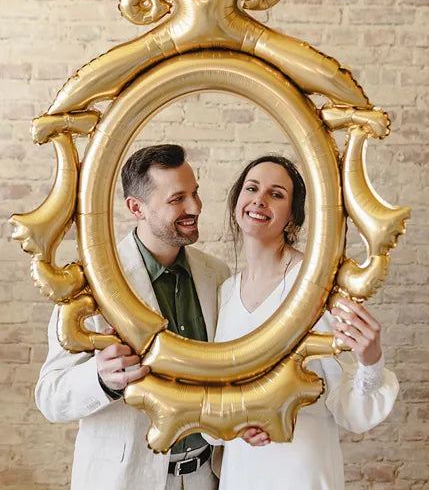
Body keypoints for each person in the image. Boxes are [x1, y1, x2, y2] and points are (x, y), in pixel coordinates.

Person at [35, 144, 230, 490]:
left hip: (207, 476)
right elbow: (50, 396)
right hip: (124, 481)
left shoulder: (217, 274)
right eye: (178, 199)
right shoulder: (91, 283)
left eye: (195, 193)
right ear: (136, 208)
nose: (195, 207)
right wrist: (99, 378)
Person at [208, 155, 399, 490]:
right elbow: (218, 389)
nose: (259, 199)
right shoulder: (225, 292)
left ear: (292, 219)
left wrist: (371, 360)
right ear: (237, 202)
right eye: (251, 188)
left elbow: (346, 401)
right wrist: (234, 424)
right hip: (242, 466)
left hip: (300, 467)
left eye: (276, 194)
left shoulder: (315, 285)